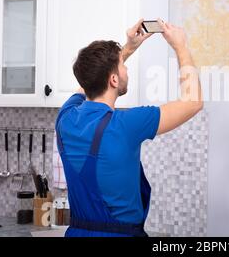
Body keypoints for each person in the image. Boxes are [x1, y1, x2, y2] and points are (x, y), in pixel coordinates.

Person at [55, 19, 203, 237]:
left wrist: (129, 48)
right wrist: (180, 45)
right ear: (114, 79)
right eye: (123, 66)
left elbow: (89, 80)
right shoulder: (126, 124)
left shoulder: (65, 118)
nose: (127, 70)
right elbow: (193, 102)